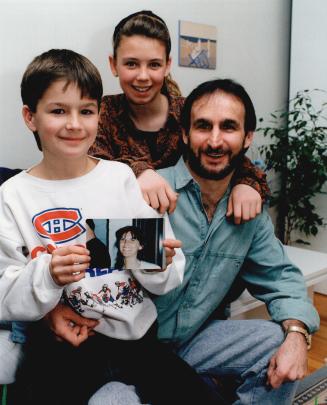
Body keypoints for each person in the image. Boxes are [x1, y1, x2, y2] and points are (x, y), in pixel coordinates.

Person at [0, 48, 219, 405]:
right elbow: (6, 294)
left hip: (137, 338)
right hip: (62, 348)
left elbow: (167, 274)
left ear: (99, 115)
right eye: (58, 111)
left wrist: (156, 261)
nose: (74, 123)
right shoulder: (13, 196)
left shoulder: (120, 178)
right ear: (30, 116)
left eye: (86, 111)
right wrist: (48, 275)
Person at [88, 79, 320, 405]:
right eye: (202, 126)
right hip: (132, 353)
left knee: (277, 339)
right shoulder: (148, 193)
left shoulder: (248, 208)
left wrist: (298, 335)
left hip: (196, 340)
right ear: (184, 134)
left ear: (247, 137)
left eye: (228, 127)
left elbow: (282, 277)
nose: (214, 141)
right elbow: (98, 279)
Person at [89, 10, 269, 221]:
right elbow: (88, 166)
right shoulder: (99, 112)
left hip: (187, 233)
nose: (143, 76)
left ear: (167, 66)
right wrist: (138, 170)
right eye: (131, 64)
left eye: (154, 64)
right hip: (120, 232)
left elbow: (227, 154)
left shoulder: (189, 112)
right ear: (113, 65)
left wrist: (247, 184)